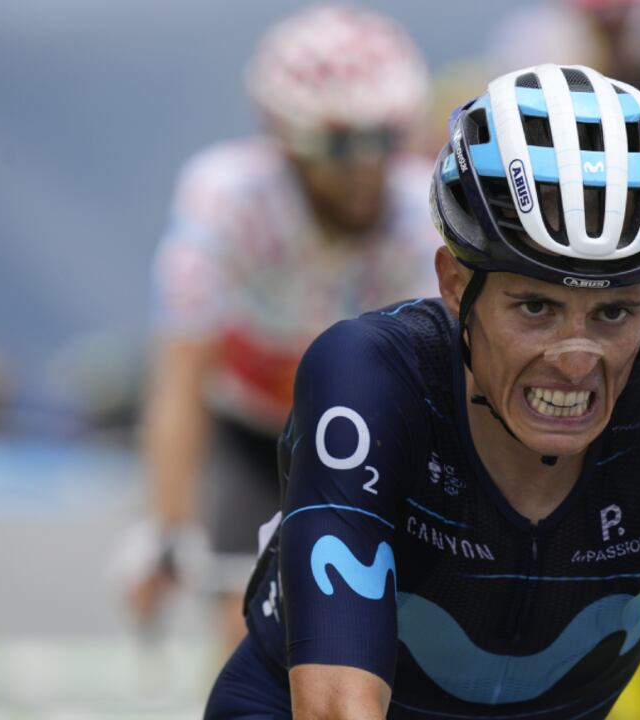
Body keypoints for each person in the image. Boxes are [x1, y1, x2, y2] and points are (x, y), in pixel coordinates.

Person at [204, 63, 640, 719]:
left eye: (613, 313)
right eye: (536, 309)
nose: (574, 361)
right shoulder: (370, 374)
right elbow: (337, 708)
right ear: (456, 287)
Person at [130, 4, 439, 658]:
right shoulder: (226, 197)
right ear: (281, 133)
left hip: (371, 437)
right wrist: (166, 523)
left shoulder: (425, 214)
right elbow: (183, 366)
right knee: (245, 642)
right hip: (255, 433)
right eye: (336, 144)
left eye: (381, 139)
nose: (362, 167)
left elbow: (446, 382)